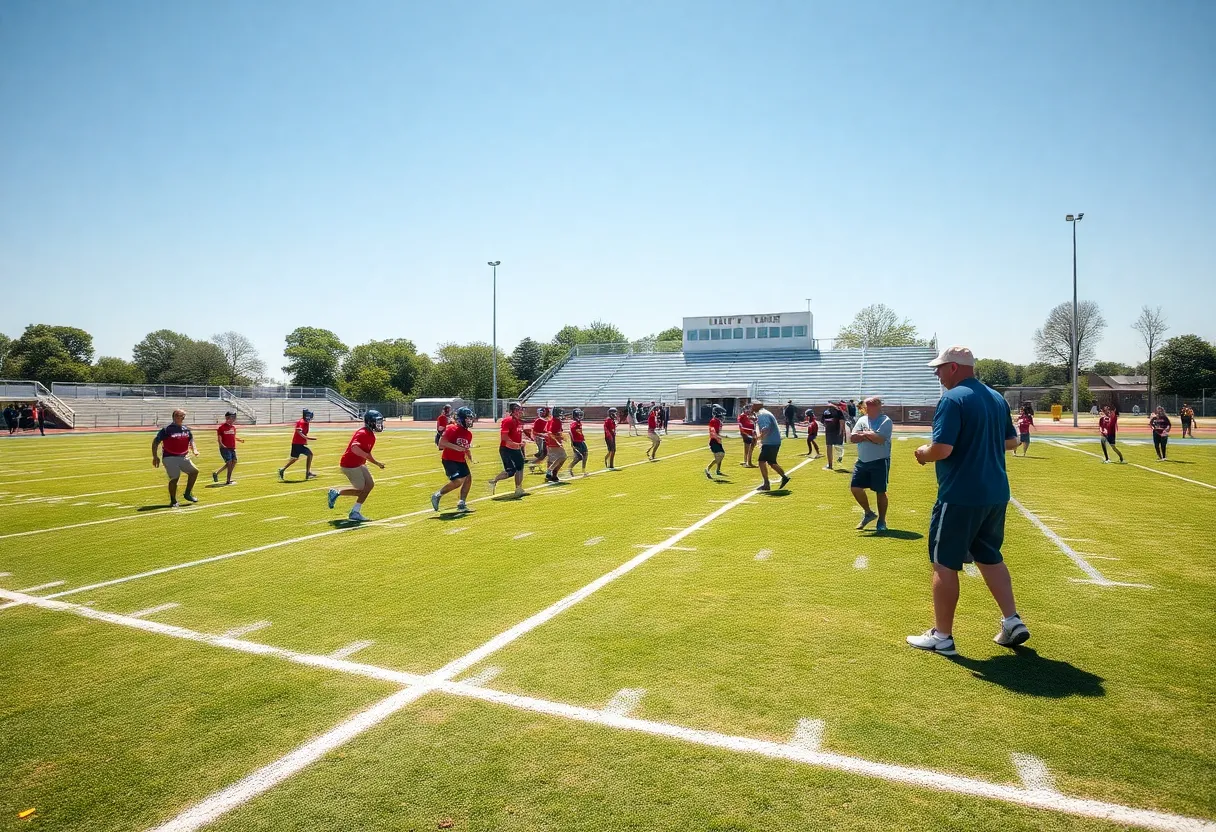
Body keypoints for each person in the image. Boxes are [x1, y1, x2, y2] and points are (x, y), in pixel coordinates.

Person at [908, 346, 1027, 656]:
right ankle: (1011, 620)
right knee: (990, 555)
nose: (937, 373)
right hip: (996, 493)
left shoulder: (952, 399)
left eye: (940, 367)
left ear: (955, 368)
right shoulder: (996, 398)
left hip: (960, 494)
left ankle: (942, 636)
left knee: (943, 562)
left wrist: (923, 453)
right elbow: (1012, 441)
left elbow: (942, 449)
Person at [328, 410, 386, 522]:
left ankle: (355, 511)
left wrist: (377, 463)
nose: (379, 424)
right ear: (370, 422)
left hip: (359, 463)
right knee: (361, 490)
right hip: (350, 464)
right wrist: (365, 458)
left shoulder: (371, 436)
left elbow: (367, 454)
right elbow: (354, 448)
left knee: (369, 485)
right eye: (377, 422)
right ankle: (337, 492)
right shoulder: (363, 433)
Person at [849, 396, 893, 532]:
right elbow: (852, 438)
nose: (866, 408)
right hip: (862, 461)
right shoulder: (862, 420)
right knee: (855, 488)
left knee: (880, 491)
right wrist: (870, 435)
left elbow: (879, 439)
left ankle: (881, 520)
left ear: (878, 406)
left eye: (869, 406)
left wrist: (863, 434)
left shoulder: (885, 421)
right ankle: (868, 513)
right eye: (866, 406)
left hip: (879, 461)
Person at [152, 409, 200, 507]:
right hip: (170, 457)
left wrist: (194, 449)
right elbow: (155, 442)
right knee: (175, 478)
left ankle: (187, 493)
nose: (180, 418)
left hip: (183, 456)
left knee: (194, 472)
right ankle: (173, 501)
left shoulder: (186, 429)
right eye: (178, 416)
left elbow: (191, 440)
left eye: (182, 416)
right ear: (174, 417)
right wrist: (155, 456)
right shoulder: (167, 429)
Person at [430, 406, 475, 511]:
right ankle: (437, 495)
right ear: (461, 419)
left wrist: (469, 455)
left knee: (468, 478)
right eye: (467, 418)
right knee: (457, 481)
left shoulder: (468, 434)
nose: (470, 420)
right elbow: (441, 444)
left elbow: (465, 447)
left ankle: (462, 502)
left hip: (460, 460)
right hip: (449, 459)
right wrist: (457, 448)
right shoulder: (451, 428)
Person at [487, 402, 527, 498]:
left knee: (520, 467)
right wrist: (515, 444)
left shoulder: (518, 421)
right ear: (515, 411)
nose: (521, 411)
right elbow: (504, 437)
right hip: (507, 449)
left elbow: (517, 435)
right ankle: (494, 480)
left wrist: (521, 444)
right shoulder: (508, 421)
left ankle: (518, 488)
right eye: (519, 409)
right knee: (511, 471)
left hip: (515, 448)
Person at [751, 400, 790, 492]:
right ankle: (784, 477)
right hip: (773, 441)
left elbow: (766, 429)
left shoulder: (762, 414)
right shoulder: (764, 413)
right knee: (771, 462)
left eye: (753, 406)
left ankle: (766, 484)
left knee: (761, 461)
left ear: (757, 407)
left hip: (770, 442)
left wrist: (758, 438)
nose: (751, 408)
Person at [279, 409, 317, 481]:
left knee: (309, 455)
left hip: (299, 444)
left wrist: (305, 439)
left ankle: (308, 473)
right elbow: (298, 431)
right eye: (309, 416)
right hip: (296, 444)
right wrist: (307, 438)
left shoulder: (306, 422)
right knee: (295, 458)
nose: (310, 418)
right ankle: (282, 469)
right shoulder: (302, 422)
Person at [211, 411, 244, 485]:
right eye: (232, 418)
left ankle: (217, 473)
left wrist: (239, 440)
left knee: (234, 462)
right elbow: (219, 438)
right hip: (225, 448)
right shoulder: (221, 428)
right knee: (229, 463)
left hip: (232, 448)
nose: (234, 419)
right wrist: (222, 445)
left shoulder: (233, 428)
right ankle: (228, 480)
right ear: (227, 418)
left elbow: (233, 436)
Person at [544, 407, 568, 482]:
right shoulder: (557, 421)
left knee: (551, 460)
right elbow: (551, 432)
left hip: (549, 442)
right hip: (555, 443)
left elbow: (546, 431)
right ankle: (550, 470)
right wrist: (557, 440)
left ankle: (552, 476)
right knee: (563, 456)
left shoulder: (550, 420)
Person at [705, 404, 727, 479]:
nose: (723, 416)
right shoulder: (715, 421)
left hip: (716, 440)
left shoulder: (717, 421)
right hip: (714, 441)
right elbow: (713, 432)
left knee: (719, 456)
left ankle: (718, 470)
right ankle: (707, 469)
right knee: (721, 454)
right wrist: (720, 437)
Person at [821, 403, 846, 470]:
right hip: (837, 432)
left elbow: (823, 422)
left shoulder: (826, 412)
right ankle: (839, 458)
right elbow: (842, 421)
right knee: (838, 446)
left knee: (829, 447)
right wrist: (842, 431)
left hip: (829, 432)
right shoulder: (839, 411)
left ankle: (830, 465)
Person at [568, 408, 590, 477]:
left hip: (581, 441)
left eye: (580, 415)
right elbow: (570, 432)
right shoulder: (574, 423)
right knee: (578, 457)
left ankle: (583, 470)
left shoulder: (579, 423)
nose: (580, 417)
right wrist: (572, 443)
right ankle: (570, 468)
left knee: (585, 455)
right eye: (578, 415)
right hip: (577, 442)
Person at [529, 407, 549, 473]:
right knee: (543, 453)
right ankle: (533, 464)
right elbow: (534, 432)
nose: (543, 413)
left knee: (544, 454)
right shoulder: (538, 420)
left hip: (544, 438)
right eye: (541, 412)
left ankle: (534, 463)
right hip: (540, 438)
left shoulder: (545, 420)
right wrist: (542, 435)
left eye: (543, 412)